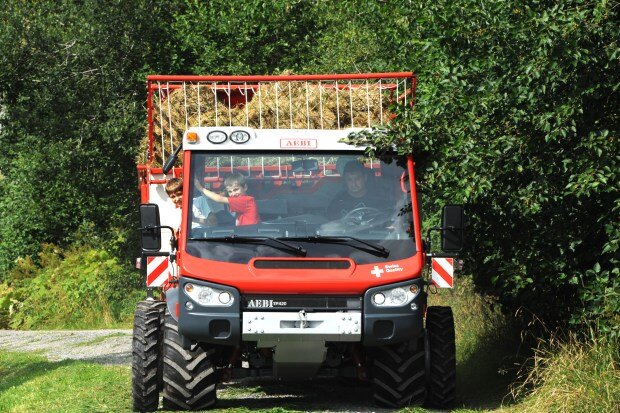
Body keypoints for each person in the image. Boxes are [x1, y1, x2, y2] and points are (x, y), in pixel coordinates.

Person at [195, 172, 259, 226]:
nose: (233, 194)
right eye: (230, 191)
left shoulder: (246, 200)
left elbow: (219, 199)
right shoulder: (243, 201)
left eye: (236, 189)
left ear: (245, 187)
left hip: (249, 233)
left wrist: (200, 188)